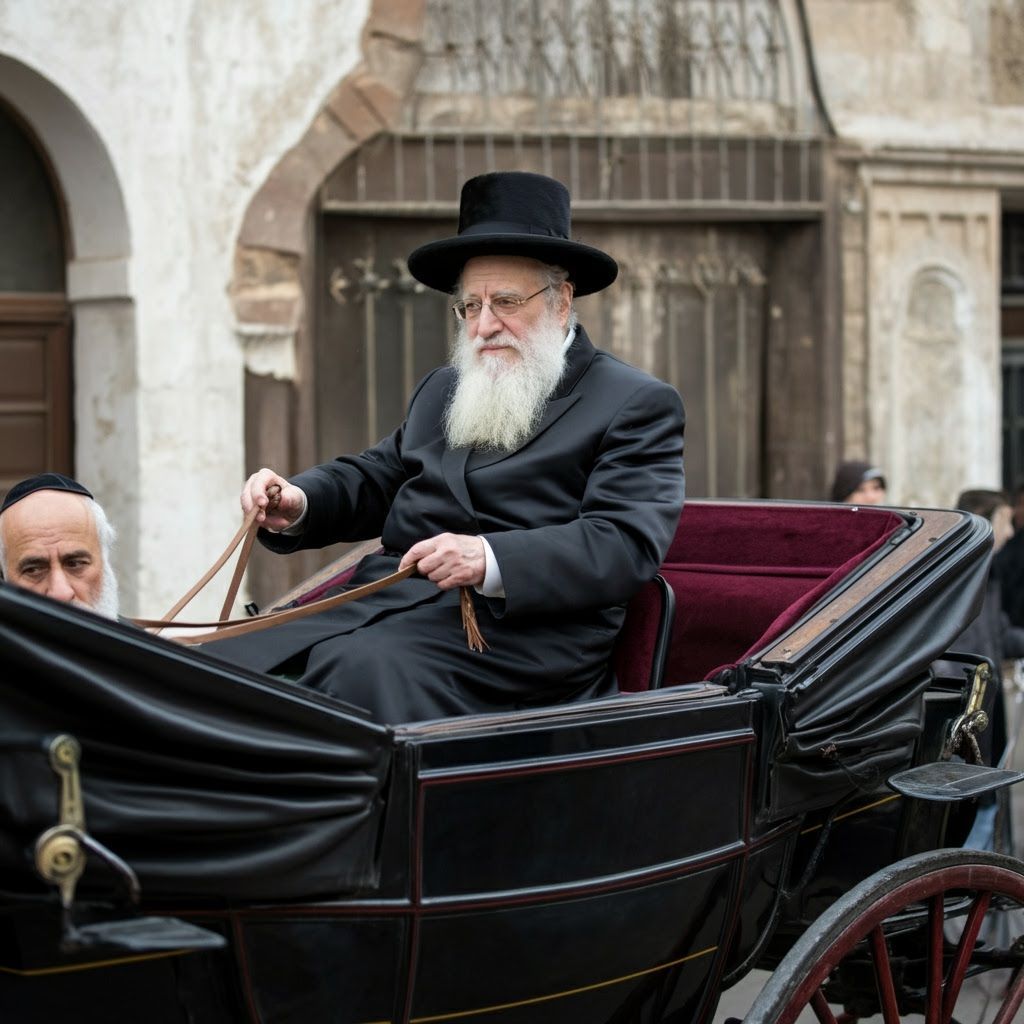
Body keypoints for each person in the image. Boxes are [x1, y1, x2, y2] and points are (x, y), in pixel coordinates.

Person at [205, 171, 686, 723]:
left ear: (561, 302)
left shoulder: (634, 402)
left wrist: (488, 558)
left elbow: (623, 544)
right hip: (392, 604)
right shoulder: (445, 387)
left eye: (505, 301)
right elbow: (380, 477)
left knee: (358, 670)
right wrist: (300, 501)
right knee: (223, 662)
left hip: (522, 638)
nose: (484, 326)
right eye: (470, 306)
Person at [0, 472, 119, 618]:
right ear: (4, 578)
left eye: (75, 564)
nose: (60, 594)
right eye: (33, 570)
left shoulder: (141, 633)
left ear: (105, 565)